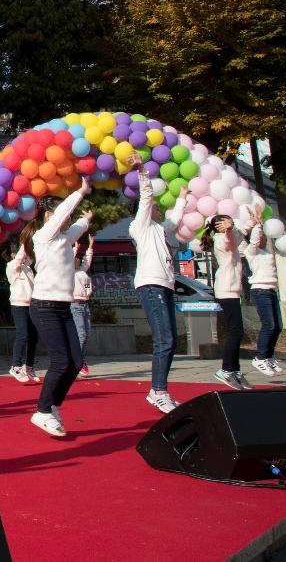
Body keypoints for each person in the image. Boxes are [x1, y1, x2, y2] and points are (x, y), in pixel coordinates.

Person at [20, 179, 92, 438]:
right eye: (63, 213)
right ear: (50, 216)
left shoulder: (63, 238)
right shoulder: (43, 236)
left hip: (64, 308)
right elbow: (62, 214)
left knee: (75, 362)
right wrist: (80, 192)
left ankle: (52, 406)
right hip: (44, 307)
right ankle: (41, 410)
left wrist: (86, 218)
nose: (67, 218)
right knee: (61, 361)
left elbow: (79, 227)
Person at [127, 154, 187, 414]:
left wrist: (183, 195)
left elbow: (176, 219)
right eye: (154, 206)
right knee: (164, 339)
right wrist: (142, 170)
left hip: (165, 286)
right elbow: (146, 197)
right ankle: (158, 391)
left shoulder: (162, 230)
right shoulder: (140, 226)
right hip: (150, 285)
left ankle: (159, 389)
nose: (159, 207)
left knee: (171, 339)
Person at [206, 214, 251, 390]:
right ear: (218, 227)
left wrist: (253, 222)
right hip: (226, 290)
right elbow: (232, 241)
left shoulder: (229, 235)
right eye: (226, 222)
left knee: (237, 332)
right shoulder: (221, 240)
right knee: (236, 331)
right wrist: (230, 229)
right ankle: (226, 370)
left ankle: (235, 371)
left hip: (232, 290)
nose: (231, 224)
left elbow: (241, 233)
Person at [244, 208, 284, 379]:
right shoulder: (251, 252)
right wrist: (258, 224)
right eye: (260, 236)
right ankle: (260, 357)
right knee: (269, 325)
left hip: (271, 291)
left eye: (264, 236)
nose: (262, 238)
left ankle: (268, 356)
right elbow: (253, 241)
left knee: (278, 326)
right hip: (260, 291)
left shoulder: (267, 252)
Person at [4, 245, 40, 384]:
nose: (22, 257)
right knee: (22, 334)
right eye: (18, 254)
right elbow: (19, 258)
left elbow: (32, 256)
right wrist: (24, 243)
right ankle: (16, 365)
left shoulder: (28, 268)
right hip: (18, 305)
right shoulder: (11, 267)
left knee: (34, 337)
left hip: (31, 306)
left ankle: (29, 367)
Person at [70, 236, 94, 377]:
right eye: (75, 259)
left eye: (78, 258)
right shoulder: (69, 273)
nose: (77, 260)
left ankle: (79, 360)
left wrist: (90, 247)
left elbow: (87, 260)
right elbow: (66, 260)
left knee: (86, 335)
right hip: (75, 305)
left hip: (85, 304)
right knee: (82, 335)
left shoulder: (82, 272)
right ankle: (78, 362)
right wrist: (74, 249)